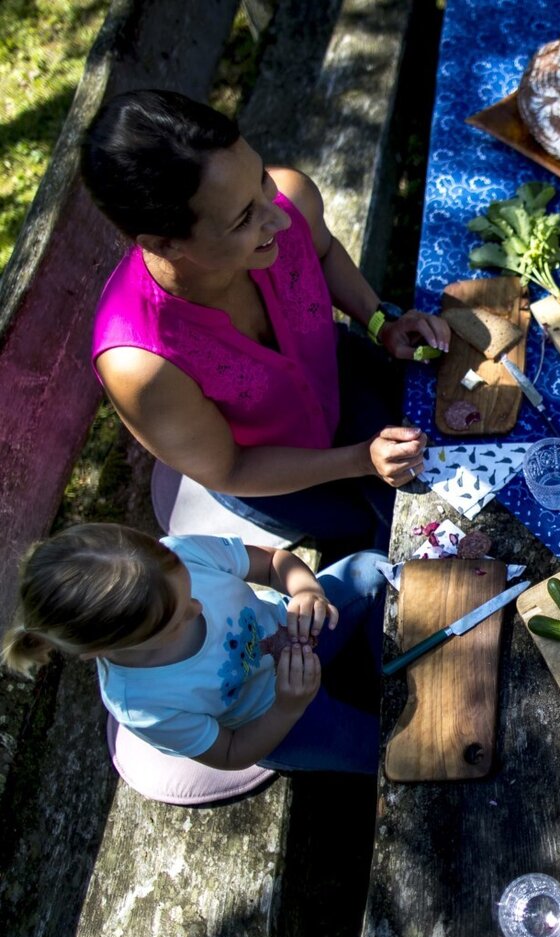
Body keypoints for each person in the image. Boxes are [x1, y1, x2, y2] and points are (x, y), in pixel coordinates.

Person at [81, 89, 452, 557]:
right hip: (279, 476)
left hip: (343, 380)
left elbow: (324, 251)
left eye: (260, 179)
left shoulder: (289, 198)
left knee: (455, 463)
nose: (278, 217)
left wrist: (379, 319)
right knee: (399, 536)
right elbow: (231, 468)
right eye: (242, 219)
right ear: (166, 243)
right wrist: (359, 460)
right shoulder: (142, 366)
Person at [1, 524, 387, 774]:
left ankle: (388, 665)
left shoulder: (182, 553)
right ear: (100, 650)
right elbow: (233, 753)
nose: (198, 608)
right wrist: (289, 706)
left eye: (189, 591)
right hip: (275, 721)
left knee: (371, 569)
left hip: (301, 630)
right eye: (177, 621)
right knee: (379, 750)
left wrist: (307, 591)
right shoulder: (141, 702)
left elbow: (272, 563)